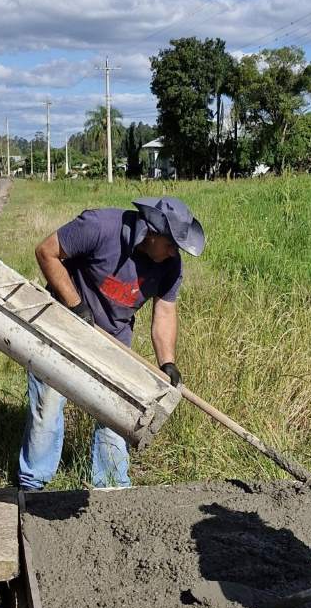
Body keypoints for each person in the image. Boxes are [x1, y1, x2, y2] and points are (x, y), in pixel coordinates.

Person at [18, 196, 204, 490]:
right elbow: (46, 252)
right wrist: (75, 304)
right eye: (171, 244)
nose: (174, 253)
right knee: (48, 405)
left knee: (118, 413)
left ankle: (112, 489)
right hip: (62, 325)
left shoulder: (170, 264)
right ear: (151, 232)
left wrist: (167, 362)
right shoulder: (100, 227)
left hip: (113, 341)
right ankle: (33, 485)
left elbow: (165, 311)